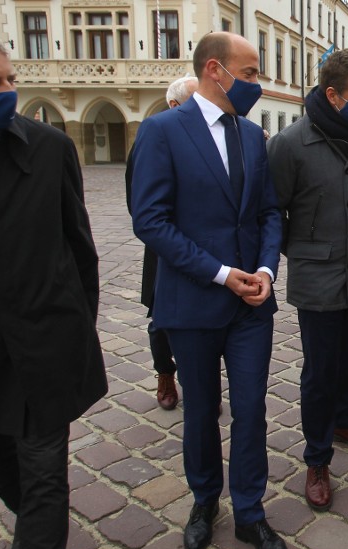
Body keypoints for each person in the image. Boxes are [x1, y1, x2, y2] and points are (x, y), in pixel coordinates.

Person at [131, 32, 290, 549]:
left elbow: (270, 212)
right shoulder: (162, 131)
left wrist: (266, 268)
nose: (257, 84)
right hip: (194, 301)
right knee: (201, 411)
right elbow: (150, 221)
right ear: (215, 70)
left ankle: (250, 512)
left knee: (251, 410)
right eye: (249, 74)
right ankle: (204, 502)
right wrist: (222, 273)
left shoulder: (252, 135)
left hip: (251, 308)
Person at [0, 41, 108, 549]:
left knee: (44, 479)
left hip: (40, 352)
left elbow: (80, 250)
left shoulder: (49, 148)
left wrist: (74, 331)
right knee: (13, 478)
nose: (6, 92)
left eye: (8, 80)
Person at [267, 49, 348, 513]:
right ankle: (317, 458)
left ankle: (345, 421)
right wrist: (307, 253)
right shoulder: (290, 143)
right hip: (318, 279)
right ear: (332, 95)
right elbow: (272, 214)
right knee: (320, 372)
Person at [125, 75, 198, 411]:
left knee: (203, 322)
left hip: (206, 246)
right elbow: (138, 200)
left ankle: (200, 383)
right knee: (162, 321)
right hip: (164, 246)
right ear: (174, 105)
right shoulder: (155, 134)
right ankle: (165, 374)